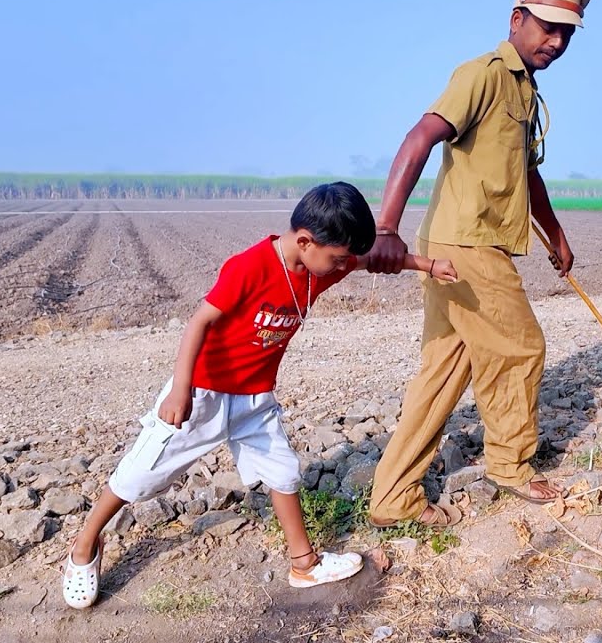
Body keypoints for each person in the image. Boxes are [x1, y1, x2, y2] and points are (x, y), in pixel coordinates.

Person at [61, 181, 458, 609]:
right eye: (336, 258)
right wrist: (181, 390)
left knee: (283, 471)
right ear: (305, 241)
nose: (341, 266)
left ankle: (303, 562)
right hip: (205, 392)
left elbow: (373, 261)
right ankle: (85, 545)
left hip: (255, 399)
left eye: (342, 259)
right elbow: (199, 323)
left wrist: (429, 265)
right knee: (141, 474)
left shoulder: (319, 263)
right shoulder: (248, 267)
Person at [364, 0, 591, 528]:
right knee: (521, 348)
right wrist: (385, 229)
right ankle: (511, 467)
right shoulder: (483, 75)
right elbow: (420, 137)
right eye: (548, 28)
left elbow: (527, 174)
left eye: (567, 34)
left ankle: (393, 497)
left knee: (445, 369)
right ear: (517, 20)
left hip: (461, 241)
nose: (556, 42)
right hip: (468, 244)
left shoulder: (525, 91)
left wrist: (556, 236)